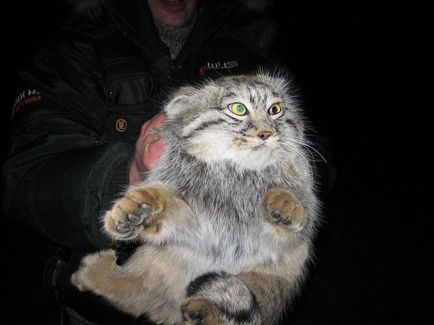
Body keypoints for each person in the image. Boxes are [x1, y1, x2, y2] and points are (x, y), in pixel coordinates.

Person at [2, 0, 335, 324]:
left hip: (242, 283)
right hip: (104, 313)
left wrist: (282, 180)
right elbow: (29, 168)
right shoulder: (76, 46)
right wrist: (131, 176)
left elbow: (314, 149)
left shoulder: (252, 42)